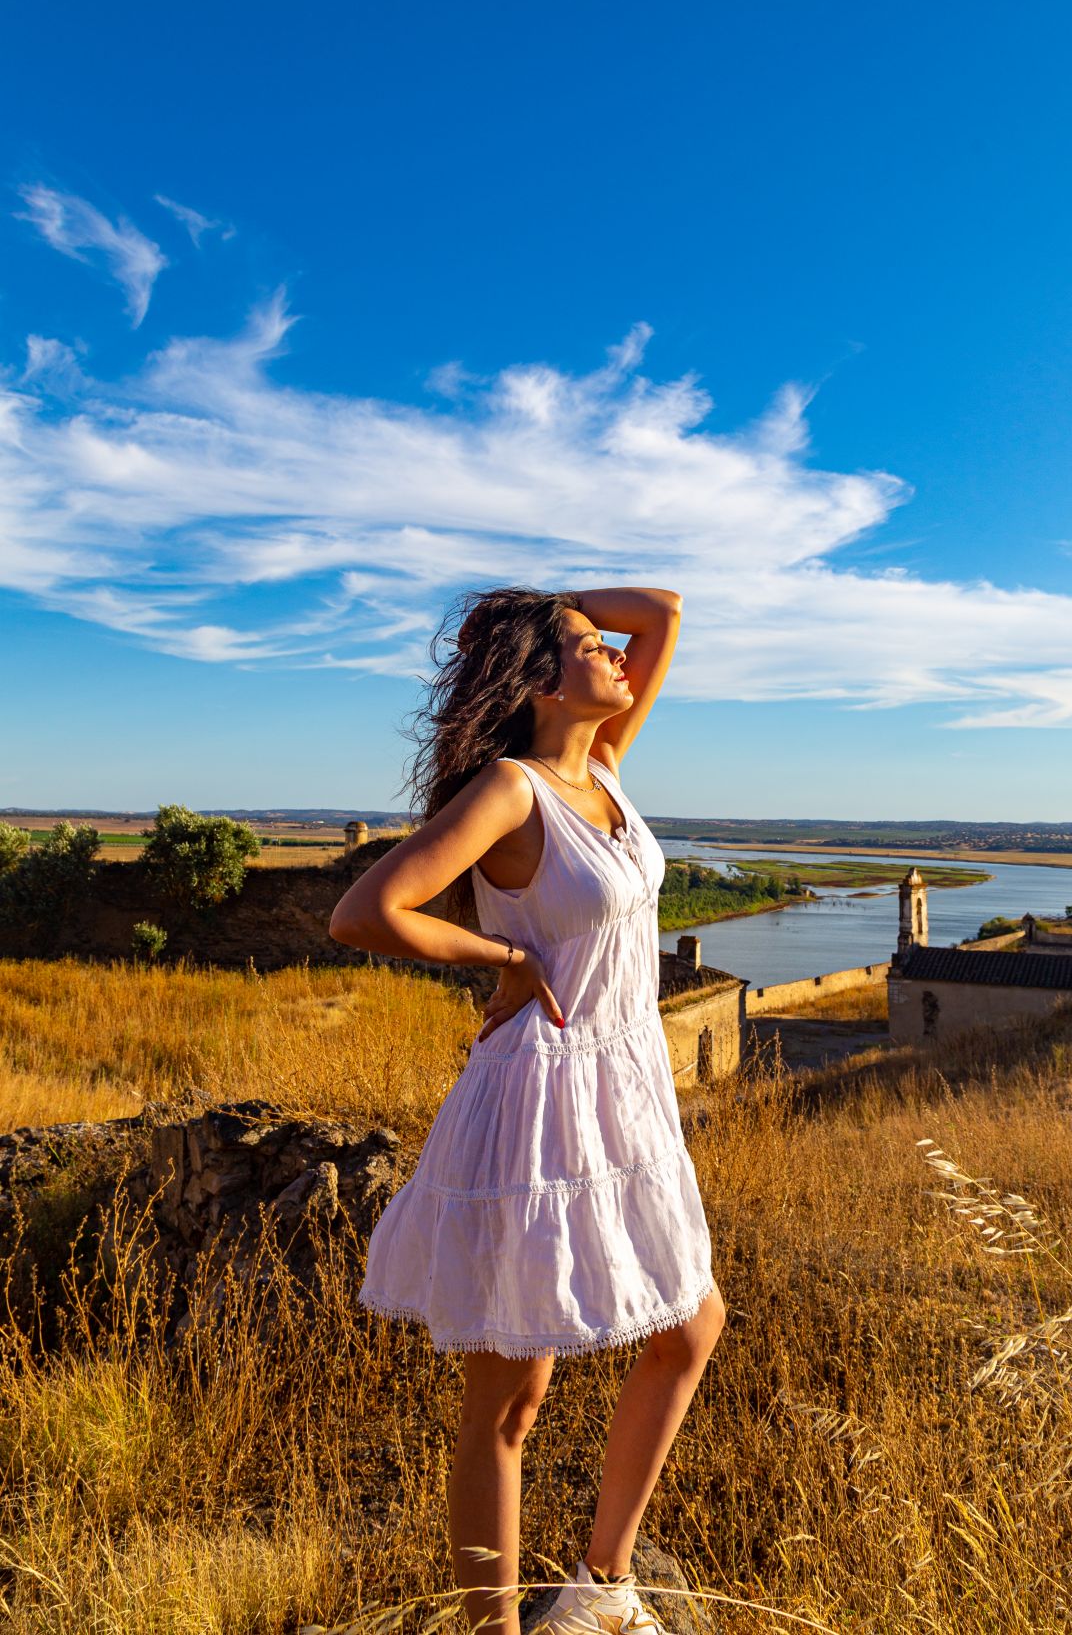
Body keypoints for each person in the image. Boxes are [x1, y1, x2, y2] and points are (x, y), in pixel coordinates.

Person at [329, 585, 725, 1635]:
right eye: (594, 650)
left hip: (626, 1082)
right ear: (544, 681)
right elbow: (367, 911)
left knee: (691, 1328)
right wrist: (503, 955)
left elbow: (667, 612)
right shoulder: (513, 790)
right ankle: (494, 1628)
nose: (620, 658)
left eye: (607, 647)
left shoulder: (601, 765)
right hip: (540, 1096)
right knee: (512, 1397)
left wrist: (547, 606)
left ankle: (603, 1583)